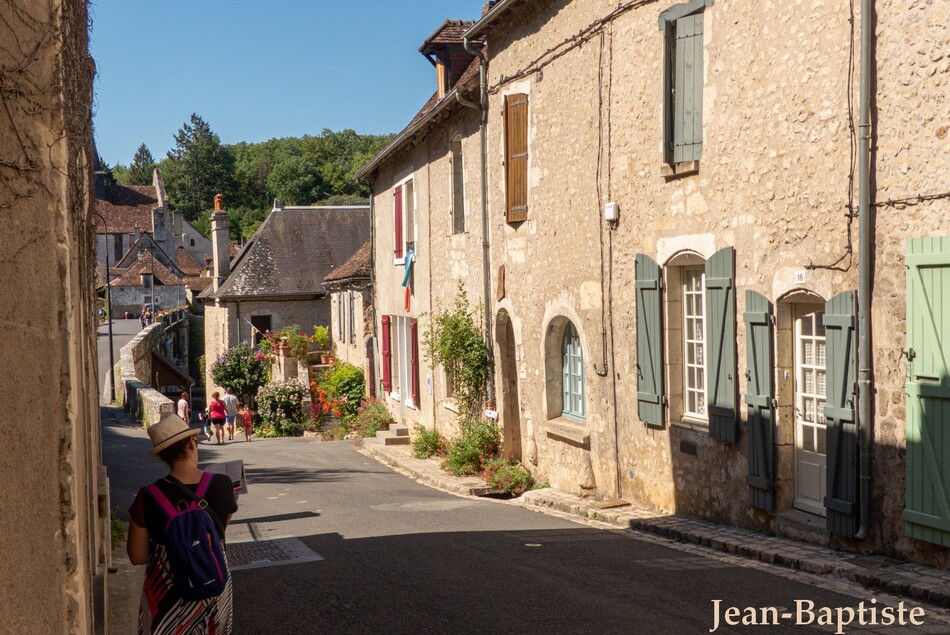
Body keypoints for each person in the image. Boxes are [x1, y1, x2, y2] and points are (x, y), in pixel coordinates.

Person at [127, 413, 237, 634]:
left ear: (163, 457)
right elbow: (221, 529)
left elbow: (137, 556)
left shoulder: (147, 496)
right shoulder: (223, 484)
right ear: (191, 443)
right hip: (213, 586)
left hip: (169, 595)